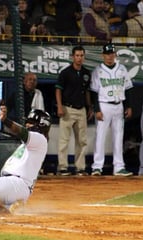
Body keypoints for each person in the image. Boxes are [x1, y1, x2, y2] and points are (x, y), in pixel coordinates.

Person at [90, 43, 134, 177]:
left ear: (115, 55)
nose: (110, 56)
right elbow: (93, 92)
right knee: (100, 136)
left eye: (112, 54)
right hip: (104, 105)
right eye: (107, 54)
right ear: (103, 55)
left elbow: (128, 89)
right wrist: (96, 109)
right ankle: (97, 167)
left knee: (118, 137)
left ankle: (119, 167)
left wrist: (128, 106)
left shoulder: (122, 69)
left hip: (119, 104)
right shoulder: (98, 70)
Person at [56, 46, 92, 176]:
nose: (79, 58)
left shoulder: (86, 73)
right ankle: (63, 167)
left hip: (81, 109)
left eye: (81, 55)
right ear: (73, 57)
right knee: (64, 140)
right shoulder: (65, 73)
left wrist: (90, 107)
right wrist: (59, 106)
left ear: (84, 57)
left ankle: (80, 167)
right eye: (77, 55)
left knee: (82, 140)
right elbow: (58, 89)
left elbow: (87, 91)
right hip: (67, 108)